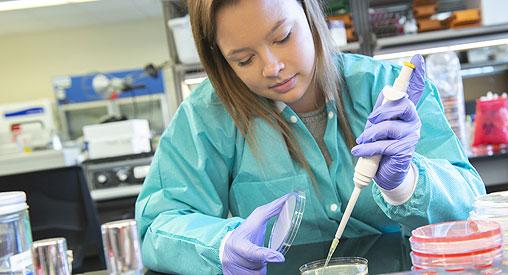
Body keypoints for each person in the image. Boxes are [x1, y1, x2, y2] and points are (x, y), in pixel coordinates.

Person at [135, 0, 485, 274]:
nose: (271, 68)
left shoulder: (389, 90)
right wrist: (221, 246)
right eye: (243, 59)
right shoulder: (208, 114)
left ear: (310, 12)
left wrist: (406, 184)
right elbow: (158, 225)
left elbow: (472, 210)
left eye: (283, 37)